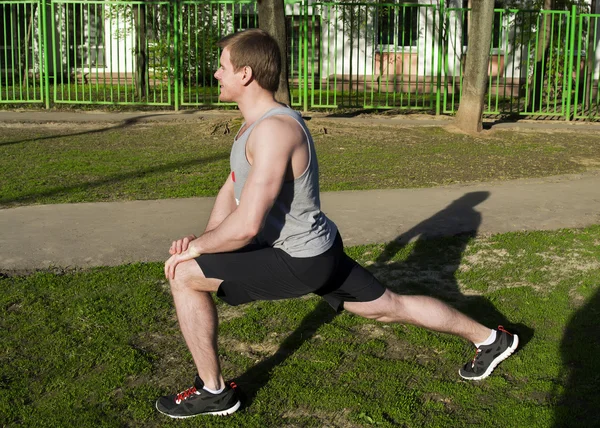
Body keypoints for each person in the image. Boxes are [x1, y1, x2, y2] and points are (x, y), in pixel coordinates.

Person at [155, 29, 519, 419]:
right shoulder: (254, 123)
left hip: (299, 258)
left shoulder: (275, 131)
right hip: (315, 248)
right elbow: (232, 185)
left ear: (245, 74)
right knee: (388, 307)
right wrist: (207, 237)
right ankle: (491, 339)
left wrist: (199, 249)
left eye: (222, 67)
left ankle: (213, 392)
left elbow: (246, 225)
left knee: (183, 274)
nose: (216, 74)